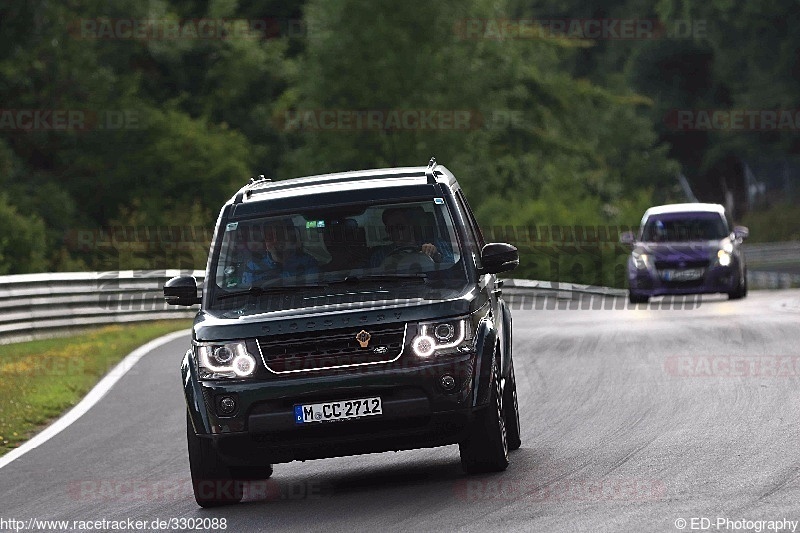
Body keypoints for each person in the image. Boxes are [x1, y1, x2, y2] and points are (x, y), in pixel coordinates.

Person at [369, 206, 453, 268]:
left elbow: (453, 268)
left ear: (411, 226)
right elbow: (372, 278)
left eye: (400, 227)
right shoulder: (380, 255)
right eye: (390, 229)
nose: (395, 232)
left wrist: (436, 256)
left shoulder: (437, 243)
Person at [241, 220, 319, 284]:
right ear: (265, 242)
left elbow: (312, 291)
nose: (276, 241)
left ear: (292, 238)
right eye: (270, 237)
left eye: (281, 236)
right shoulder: (253, 267)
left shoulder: (307, 263)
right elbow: (248, 295)